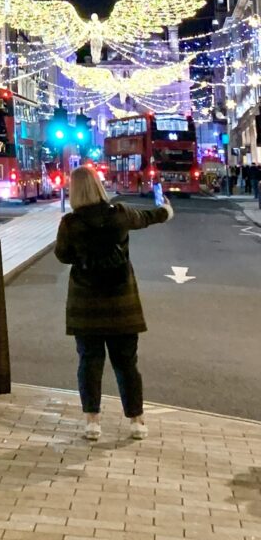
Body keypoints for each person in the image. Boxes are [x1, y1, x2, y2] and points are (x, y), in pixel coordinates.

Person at [53, 163, 172, 441]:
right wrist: (165, 210)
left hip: (86, 305)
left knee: (90, 361)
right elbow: (148, 217)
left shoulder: (70, 224)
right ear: (98, 186)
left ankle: (92, 422)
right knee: (126, 363)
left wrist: (84, 257)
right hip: (122, 303)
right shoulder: (119, 215)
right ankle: (137, 421)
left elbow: (62, 255)